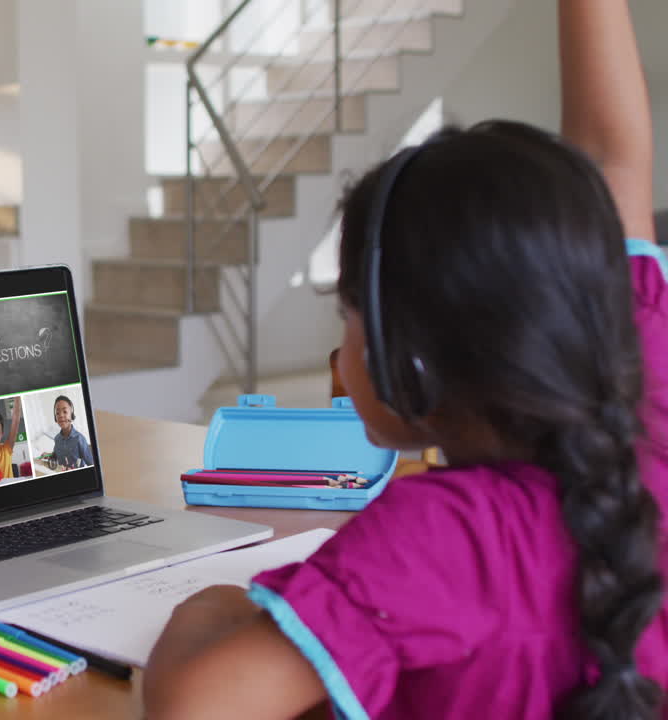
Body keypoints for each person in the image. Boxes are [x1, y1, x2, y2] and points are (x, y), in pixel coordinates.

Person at [143, 2, 668, 719]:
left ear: (407, 354)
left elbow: (195, 707)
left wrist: (211, 605)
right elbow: (613, 159)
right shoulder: (646, 374)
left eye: (348, 311)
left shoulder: (442, 535)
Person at [50, 395, 93, 468]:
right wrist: (49, 455)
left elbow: (91, 463)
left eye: (65, 411)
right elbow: (57, 454)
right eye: (57, 413)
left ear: (71, 415)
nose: (61, 415)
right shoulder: (57, 439)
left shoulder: (79, 438)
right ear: (55, 418)